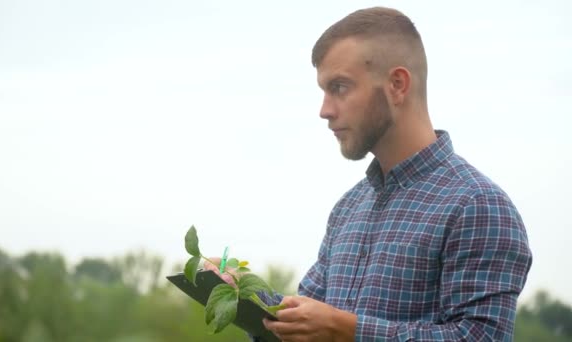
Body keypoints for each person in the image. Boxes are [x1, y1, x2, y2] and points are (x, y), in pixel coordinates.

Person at [210, 6, 532, 341]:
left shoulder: (478, 206)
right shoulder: (348, 207)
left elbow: (480, 336)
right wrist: (243, 295)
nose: (325, 110)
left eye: (340, 87)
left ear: (397, 84)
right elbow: (307, 323)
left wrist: (348, 331)